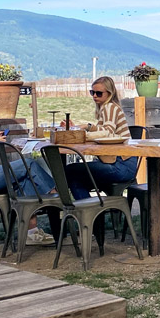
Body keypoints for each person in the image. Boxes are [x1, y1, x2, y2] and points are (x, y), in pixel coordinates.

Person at [45, 76, 138, 245]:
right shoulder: (107, 108)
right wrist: (82, 129)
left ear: (109, 93)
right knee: (74, 177)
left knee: (70, 171)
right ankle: (91, 219)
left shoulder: (109, 107)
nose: (94, 96)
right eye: (92, 92)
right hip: (120, 163)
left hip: (121, 164)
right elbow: (102, 132)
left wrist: (85, 129)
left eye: (99, 93)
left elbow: (107, 132)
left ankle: (88, 218)